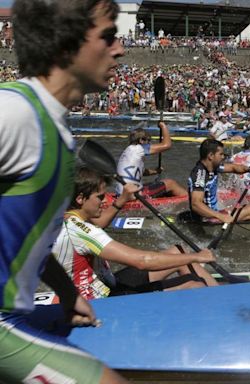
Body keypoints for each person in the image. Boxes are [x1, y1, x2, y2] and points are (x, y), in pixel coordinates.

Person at [0, 1, 128, 383]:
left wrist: (66, 291)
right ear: (64, 46)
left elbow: (33, 239)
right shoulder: (14, 113)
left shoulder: (58, 133)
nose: (119, 49)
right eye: (106, 37)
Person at [53, 167, 218, 300]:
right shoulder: (81, 231)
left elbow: (100, 223)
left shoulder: (70, 217)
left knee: (178, 251)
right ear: (81, 199)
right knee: (194, 285)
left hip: (107, 283)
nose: (105, 201)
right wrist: (197, 257)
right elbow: (142, 261)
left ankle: (221, 296)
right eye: (100, 197)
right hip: (102, 303)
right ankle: (224, 306)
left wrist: (123, 199)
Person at [188, 139, 250, 223]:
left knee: (249, 206)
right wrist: (220, 216)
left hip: (214, 214)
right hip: (206, 219)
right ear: (211, 156)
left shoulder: (214, 167)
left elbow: (234, 168)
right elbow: (196, 204)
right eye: (221, 154)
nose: (223, 157)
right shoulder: (200, 175)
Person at [116, 122, 187, 198]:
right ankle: (189, 200)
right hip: (132, 194)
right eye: (148, 141)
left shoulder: (128, 152)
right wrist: (163, 126)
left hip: (121, 193)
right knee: (170, 183)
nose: (150, 144)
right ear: (141, 140)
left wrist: (155, 171)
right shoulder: (138, 148)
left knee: (155, 184)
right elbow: (167, 145)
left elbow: (140, 172)